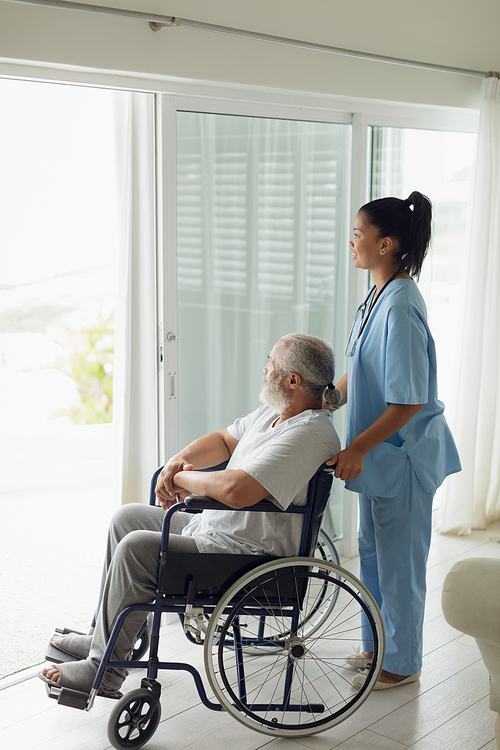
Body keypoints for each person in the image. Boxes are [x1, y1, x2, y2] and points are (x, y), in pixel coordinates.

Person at [40, 333, 341, 697]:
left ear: (293, 380)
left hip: (246, 556)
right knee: (127, 518)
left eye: (271, 364)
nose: (264, 370)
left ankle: (102, 672)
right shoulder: (276, 414)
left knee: (137, 547)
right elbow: (225, 440)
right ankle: (101, 641)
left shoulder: (311, 432)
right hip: (216, 532)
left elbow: (237, 490)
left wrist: (183, 478)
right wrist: (175, 462)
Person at [329, 192, 461, 689]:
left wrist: (358, 446)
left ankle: (403, 662)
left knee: (400, 564)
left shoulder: (402, 305)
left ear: (386, 243)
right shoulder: (379, 295)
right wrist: (329, 398)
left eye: (358, 234)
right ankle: (375, 645)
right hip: (377, 457)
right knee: (372, 552)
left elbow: (407, 400)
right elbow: (361, 361)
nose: (352, 242)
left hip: (401, 456)